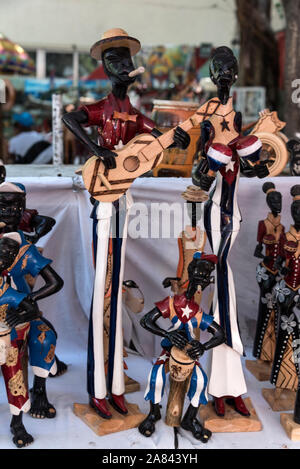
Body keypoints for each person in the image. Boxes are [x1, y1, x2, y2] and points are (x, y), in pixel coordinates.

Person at [62, 28, 190, 419]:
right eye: (115, 61)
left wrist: (180, 136)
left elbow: (159, 133)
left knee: (115, 288)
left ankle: (116, 385)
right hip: (104, 199)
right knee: (104, 285)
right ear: (105, 68)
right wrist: (95, 147)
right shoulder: (101, 108)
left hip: (124, 200)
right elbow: (70, 117)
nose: (124, 67)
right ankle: (99, 389)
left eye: (126, 60)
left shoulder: (133, 114)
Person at [192, 46, 269, 417]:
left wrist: (254, 154)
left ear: (235, 75)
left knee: (226, 286)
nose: (224, 72)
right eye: (218, 67)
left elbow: (257, 172)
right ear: (211, 73)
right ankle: (228, 357)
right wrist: (216, 155)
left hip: (233, 211)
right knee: (223, 279)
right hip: (214, 211)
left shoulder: (237, 115)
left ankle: (228, 385)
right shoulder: (206, 115)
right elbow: (198, 174)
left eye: (230, 67)